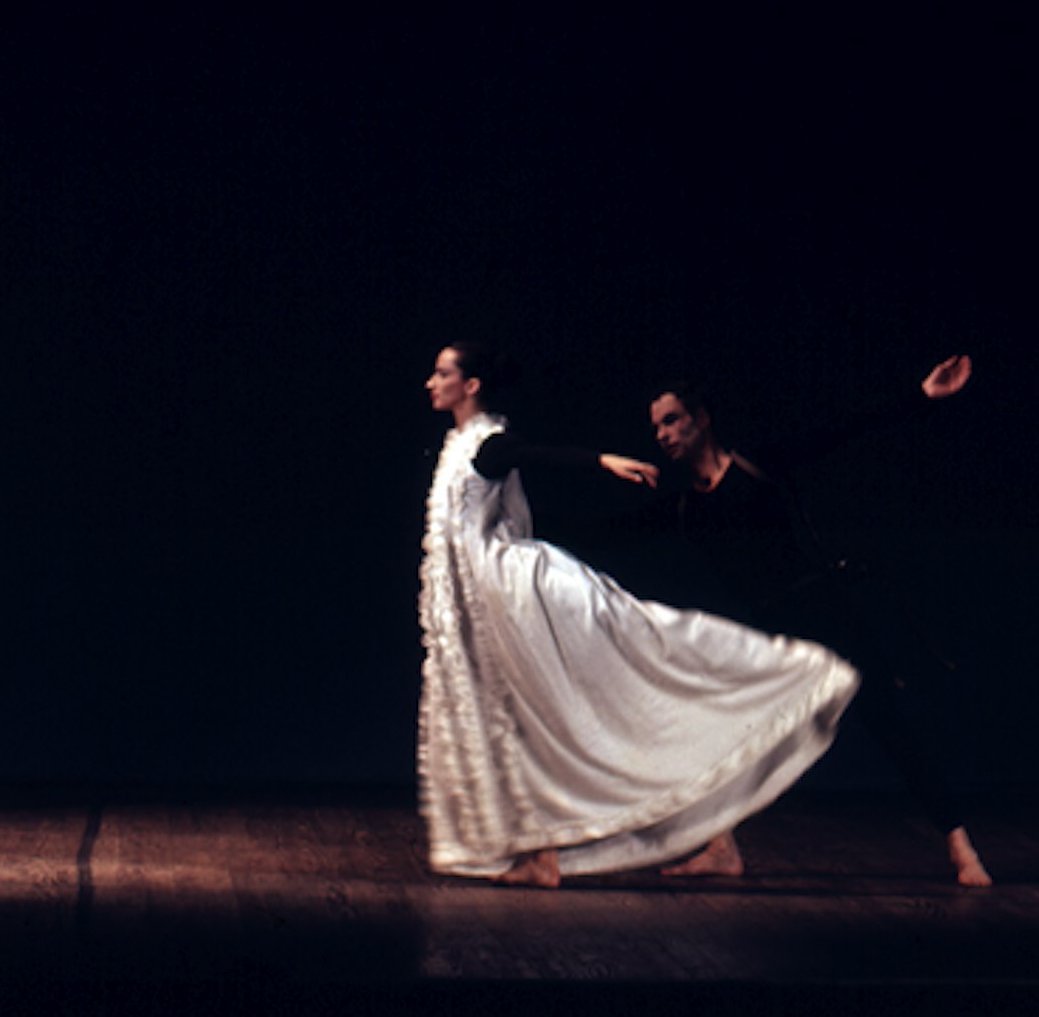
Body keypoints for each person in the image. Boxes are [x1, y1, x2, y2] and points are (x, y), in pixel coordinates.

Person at [416, 342, 859, 887]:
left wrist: (601, 461)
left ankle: (554, 855)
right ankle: (681, 844)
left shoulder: (488, 443)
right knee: (530, 721)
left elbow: (532, 454)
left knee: (576, 708)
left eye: (442, 373)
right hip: (490, 603)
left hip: (516, 594)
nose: (431, 382)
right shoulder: (460, 447)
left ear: (472, 385)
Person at [646, 357, 993, 887]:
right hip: (773, 639)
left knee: (889, 724)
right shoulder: (685, 508)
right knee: (718, 729)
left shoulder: (755, 465)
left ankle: (961, 848)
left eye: (671, 420)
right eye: (656, 427)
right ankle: (722, 847)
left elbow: (840, 432)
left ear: (702, 418)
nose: (663, 435)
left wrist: (920, 396)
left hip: (827, 618)